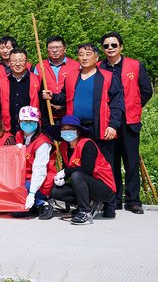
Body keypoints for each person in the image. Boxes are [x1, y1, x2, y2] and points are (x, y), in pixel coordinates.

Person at [42, 43, 124, 218]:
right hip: (77, 128)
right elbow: (64, 97)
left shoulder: (108, 77)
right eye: (80, 54)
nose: (84, 57)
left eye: (88, 54)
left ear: (97, 57)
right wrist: (53, 96)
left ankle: (110, 204)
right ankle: (85, 202)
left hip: (101, 126)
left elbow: (117, 104)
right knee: (79, 164)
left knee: (105, 164)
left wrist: (113, 125)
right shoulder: (72, 76)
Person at [98, 31, 153, 214]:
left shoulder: (135, 65)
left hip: (129, 120)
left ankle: (133, 200)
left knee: (131, 161)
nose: (110, 48)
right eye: (106, 46)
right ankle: (113, 199)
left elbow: (146, 91)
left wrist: (136, 105)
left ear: (121, 46)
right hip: (108, 121)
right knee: (111, 161)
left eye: (114, 45)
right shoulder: (98, 67)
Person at [49, 115, 117, 225]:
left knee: (77, 175)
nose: (67, 131)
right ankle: (90, 203)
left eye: (70, 129)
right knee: (56, 191)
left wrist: (65, 172)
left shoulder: (87, 144)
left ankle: (85, 212)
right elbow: (69, 167)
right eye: (64, 129)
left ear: (78, 131)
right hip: (83, 184)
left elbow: (87, 169)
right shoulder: (63, 146)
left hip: (103, 187)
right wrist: (62, 178)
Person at [12, 106, 57, 220]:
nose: (28, 124)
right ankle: (36, 204)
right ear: (19, 122)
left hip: (41, 182)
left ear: (37, 123)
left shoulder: (43, 143)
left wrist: (32, 193)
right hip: (23, 179)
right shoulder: (19, 135)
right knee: (15, 209)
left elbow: (40, 170)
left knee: (17, 210)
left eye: (31, 122)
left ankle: (42, 202)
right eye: (25, 121)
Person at [0, 49, 43, 133]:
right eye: (14, 61)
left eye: (21, 61)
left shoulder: (38, 81)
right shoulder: (2, 82)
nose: (18, 64)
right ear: (9, 62)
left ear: (27, 62)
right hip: (8, 130)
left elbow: (43, 108)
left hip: (32, 129)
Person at [36, 36, 80, 120]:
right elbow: (36, 89)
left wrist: (63, 105)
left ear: (65, 49)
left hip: (70, 112)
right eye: (51, 48)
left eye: (58, 47)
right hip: (47, 112)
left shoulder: (76, 66)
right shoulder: (40, 66)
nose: (55, 50)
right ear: (47, 50)